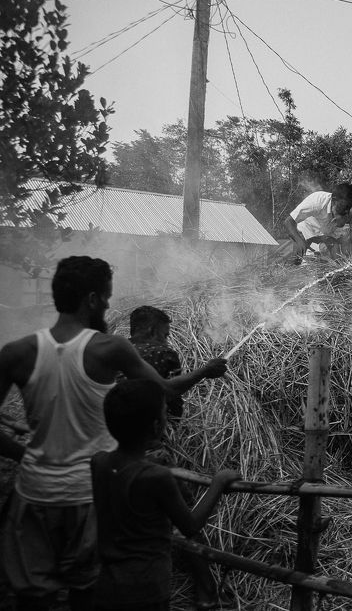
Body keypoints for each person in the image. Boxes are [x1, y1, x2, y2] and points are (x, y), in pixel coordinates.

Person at [0, 256, 227, 611]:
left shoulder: (16, 352)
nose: (108, 304)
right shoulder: (110, 349)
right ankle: (208, 592)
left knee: (32, 599)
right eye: (105, 297)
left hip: (32, 496)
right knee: (86, 595)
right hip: (89, 495)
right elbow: (166, 391)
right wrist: (205, 371)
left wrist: (27, 456)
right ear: (91, 299)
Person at [91, 379, 240, 611]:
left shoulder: (98, 462)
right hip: (146, 585)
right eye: (164, 412)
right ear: (156, 425)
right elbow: (190, 526)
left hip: (105, 580)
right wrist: (218, 483)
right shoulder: (156, 477)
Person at [128, 306, 233, 608]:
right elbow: (172, 401)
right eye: (165, 331)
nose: (168, 337)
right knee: (184, 514)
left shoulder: (117, 352)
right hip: (150, 448)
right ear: (152, 329)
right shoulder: (163, 354)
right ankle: (206, 589)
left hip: (117, 444)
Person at [283, 182, 352, 262]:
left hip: (327, 234)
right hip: (307, 229)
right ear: (333, 199)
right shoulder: (317, 201)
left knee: (336, 260)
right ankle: (284, 275)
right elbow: (288, 221)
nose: (347, 211)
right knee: (297, 258)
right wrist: (299, 241)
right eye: (345, 206)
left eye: (350, 207)